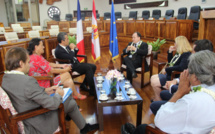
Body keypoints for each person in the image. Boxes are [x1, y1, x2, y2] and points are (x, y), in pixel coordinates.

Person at [2, 47, 99, 134]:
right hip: (38, 123)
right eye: (28, 62)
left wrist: (46, 90)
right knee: (68, 100)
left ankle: (83, 126)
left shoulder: (5, 79)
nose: (29, 66)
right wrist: (58, 94)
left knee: (70, 102)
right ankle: (83, 125)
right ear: (20, 63)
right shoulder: (27, 81)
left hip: (27, 117)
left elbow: (26, 94)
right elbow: (52, 104)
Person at [122, 50, 215, 134]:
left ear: (195, 77)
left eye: (188, 70)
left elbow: (160, 120)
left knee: (143, 128)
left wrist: (179, 92)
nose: (186, 71)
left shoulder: (190, 102)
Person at [150, 39, 214, 115]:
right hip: (189, 91)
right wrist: (176, 81)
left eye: (193, 52)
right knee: (163, 93)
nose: (192, 53)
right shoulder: (203, 65)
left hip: (191, 100)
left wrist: (173, 87)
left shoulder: (201, 69)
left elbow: (191, 90)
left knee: (154, 106)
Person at [150, 36, 192, 101]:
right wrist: (170, 52)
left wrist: (166, 69)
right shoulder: (179, 53)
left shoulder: (186, 54)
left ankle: (158, 99)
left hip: (175, 76)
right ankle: (158, 98)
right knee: (152, 77)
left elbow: (181, 67)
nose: (174, 44)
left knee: (154, 82)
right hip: (170, 73)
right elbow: (170, 63)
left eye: (175, 42)